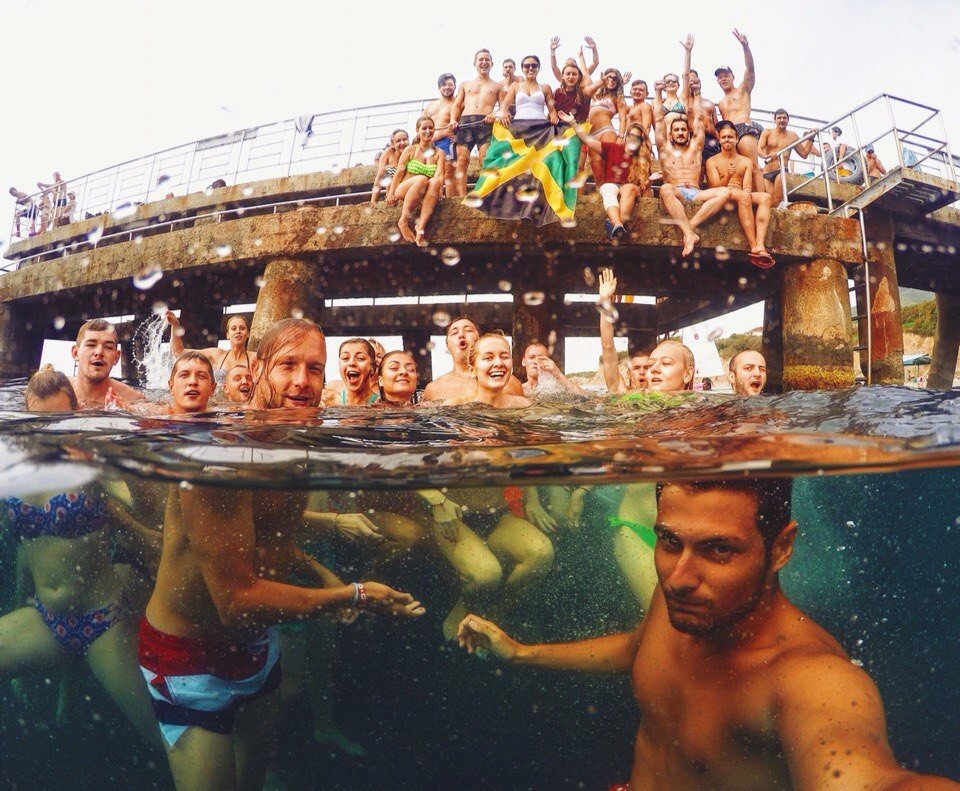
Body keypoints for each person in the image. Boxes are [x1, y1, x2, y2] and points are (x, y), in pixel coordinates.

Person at [458, 476, 959, 790]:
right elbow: (635, 649)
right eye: (669, 541)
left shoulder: (812, 679)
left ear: (781, 548)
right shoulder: (684, 599)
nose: (678, 577)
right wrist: (521, 653)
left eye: (719, 550)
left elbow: (871, 780)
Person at [139, 318, 425, 790]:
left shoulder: (296, 441)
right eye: (288, 365)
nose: (302, 381)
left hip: (258, 650)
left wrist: (321, 573)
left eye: (314, 368)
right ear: (257, 368)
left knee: (252, 780)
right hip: (187, 659)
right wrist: (352, 595)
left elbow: (271, 541)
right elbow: (235, 602)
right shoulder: (220, 455)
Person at [1, 366, 160, 746]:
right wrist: (19, 604)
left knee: (159, 735)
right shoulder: (12, 464)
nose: (48, 432)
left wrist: (125, 456)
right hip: (45, 617)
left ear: (75, 416)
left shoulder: (90, 461)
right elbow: (25, 550)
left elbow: (143, 507)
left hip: (101, 619)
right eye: (38, 422)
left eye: (59, 422)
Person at [654, 86, 731, 257]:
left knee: (725, 192)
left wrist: (697, 94)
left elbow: (698, 119)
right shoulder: (665, 149)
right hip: (677, 191)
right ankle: (689, 233)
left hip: (696, 192)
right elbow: (658, 120)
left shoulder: (695, 148)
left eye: (683, 130)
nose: (680, 133)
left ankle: (690, 229)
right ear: (670, 134)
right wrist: (658, 93)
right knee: (665, 189)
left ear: (688, 133)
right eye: (676, 130)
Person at [565, 115, 651, 239]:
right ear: (626, 137)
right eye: (631, 135)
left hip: (631, 190)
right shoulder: (612, 148)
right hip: (612, 186)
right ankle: (618, 225)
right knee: (607, 188)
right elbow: (588, 141)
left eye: (637, 137)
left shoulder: (642, 160)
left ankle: (615, 223)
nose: (633, 139)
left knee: (628, 188)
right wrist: (573, 122)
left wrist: (650, 180)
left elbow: (644, 187)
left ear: (641, 141)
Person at [706, 119, 775, 268]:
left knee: (765, 197)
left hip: (740, 193)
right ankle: (754, 246)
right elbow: (714, 187)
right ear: (719, 140)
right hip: (722, 192)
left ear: (737, 139)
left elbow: (747, 186)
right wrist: (728, 176)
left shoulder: (745, 161)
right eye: (724, 137)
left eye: (730, 137)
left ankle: (760, 244)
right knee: (743, 196)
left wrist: (747, 191)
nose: (727, 140)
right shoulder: (712, 161)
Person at [422, 317, 524, 401]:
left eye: (468, 330)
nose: (461, 335)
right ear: (447, 346)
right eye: (454, 333)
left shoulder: (509, 383)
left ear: (479, 340)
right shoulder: (433, 389)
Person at [386, 116, 446, 247]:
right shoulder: (411, 149)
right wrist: (390, 193)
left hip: (425, 192)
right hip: (404, 189)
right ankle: (403, 220)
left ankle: (420, 227)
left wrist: (440, 192)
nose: (428, 131)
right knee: (422, 179)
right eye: (424, 128)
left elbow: (440, 175)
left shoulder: (440, 153)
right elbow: (399, 172)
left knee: (435, 182)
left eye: (431, 128)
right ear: (418, 130)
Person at [450, 49, 503, 197]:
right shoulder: (465, 84)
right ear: (475, 63)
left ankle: (485, 193)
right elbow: (457, 105)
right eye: (481, 60)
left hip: (485, 123)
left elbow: (503, 108)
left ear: (492, 63)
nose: (484, 62)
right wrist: (453, 120)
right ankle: (462, 197)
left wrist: (494, 114)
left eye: (487, 60)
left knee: (485, 159)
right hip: (465, 122)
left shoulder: (497, 86)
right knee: (462, 160)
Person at [715, 30, 762, 178]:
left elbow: (750, 69)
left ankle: (761, 193)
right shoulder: (720, 103)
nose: (723, 79)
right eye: (720, 77)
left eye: (726, 75)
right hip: (729, 134)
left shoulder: (743, 90)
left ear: (733, 76)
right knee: (735, 171)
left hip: (744, 129)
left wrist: (745, 47)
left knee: (754, 167)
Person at [69, 319, 144, 409]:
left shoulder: (130, 397)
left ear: (116, 357)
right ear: (75, 353)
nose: (99, 352)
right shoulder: (57, 391)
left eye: (108, 347)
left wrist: (128, 409)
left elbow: (158, 411)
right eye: (91, 345)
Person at [167, 311, 256, 384]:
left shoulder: (254, 358)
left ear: (248, 334)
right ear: (228, 335)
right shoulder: (218, 354)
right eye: (233, 329)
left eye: (242, 328)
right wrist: (175, 325)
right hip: (218, 400)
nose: (238, 331)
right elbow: (179, 352)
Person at [444, 333, 531, 408]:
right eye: (488, 358)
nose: (499, 363)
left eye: (504, 357)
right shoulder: (454, 407)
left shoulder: (524, 405)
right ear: (472, 370)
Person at [597, 269, 648, 394]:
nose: (642, 372)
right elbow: (607, 346)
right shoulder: (621, 390)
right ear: (629, 374)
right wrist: (605, 299)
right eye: (636, 368)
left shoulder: (663, 394)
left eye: (647, 368)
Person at [757, 109, 819, 204]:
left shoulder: (792, 136)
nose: (782, 120)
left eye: (784, 118)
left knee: (776, 201)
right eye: (779, 118)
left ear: (788, 120)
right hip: (767, 171)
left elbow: (804, 154)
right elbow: (758, 149)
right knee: (769, 200)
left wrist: (811, 138)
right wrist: (766, 156)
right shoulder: (767, 132)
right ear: (775, 119)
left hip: (781, 170)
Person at [585, 68, 628, 185]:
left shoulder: (618, 98)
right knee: (598, 175)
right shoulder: (595, 94)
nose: (612, 80)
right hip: (591, 136)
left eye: (615, 78)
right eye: (609, 77)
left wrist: (621, 137)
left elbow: (623, 118)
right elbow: (586, 78)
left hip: (606, 132)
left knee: (611, 171)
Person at [321, 338, 380, 406]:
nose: (351, 363)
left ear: (372, 368)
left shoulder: (380, 405)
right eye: (345, 358)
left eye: (360, 358)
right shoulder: (328, 401)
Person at [501, 55, 558, 125]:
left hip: (540, 125)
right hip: (519, 125)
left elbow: (552, 110)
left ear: (539, 68)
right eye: (527, 66)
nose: (531, 68)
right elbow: (505, 105)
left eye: (534, 66)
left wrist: (554, 118)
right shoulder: (515, 86)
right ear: (522, 68)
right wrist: (504, 112)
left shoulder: (546, 88)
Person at [425, 73, 457, 192]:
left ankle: (450, 199)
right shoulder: (431, 104)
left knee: (448, 171)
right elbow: (421, 122)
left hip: (447, 142)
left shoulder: (458, 103)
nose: (447, 87)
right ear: (439, 87)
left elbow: (463, 122)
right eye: (444, 85)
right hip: (429, 142)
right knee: (429, 171)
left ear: (455, 86)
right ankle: (434, 196)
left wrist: (450, 134)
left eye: (450, 84)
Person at [520, 342, 586, 397]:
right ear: (523, 362)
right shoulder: (519, 389)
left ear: (548, 362)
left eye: (541, 358)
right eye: (532, 357)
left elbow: (586, 398)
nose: (536, 361)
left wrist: (558, 374)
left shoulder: (558, 386)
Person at [370, 129, 410, 204]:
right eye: (398, 141)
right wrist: (373, 201)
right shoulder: (388, 153)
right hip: (390, 196)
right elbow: (380, 177)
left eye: (404, 139)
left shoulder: (413, 152)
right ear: (393, 144)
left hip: (407, 193)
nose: (402, 143)